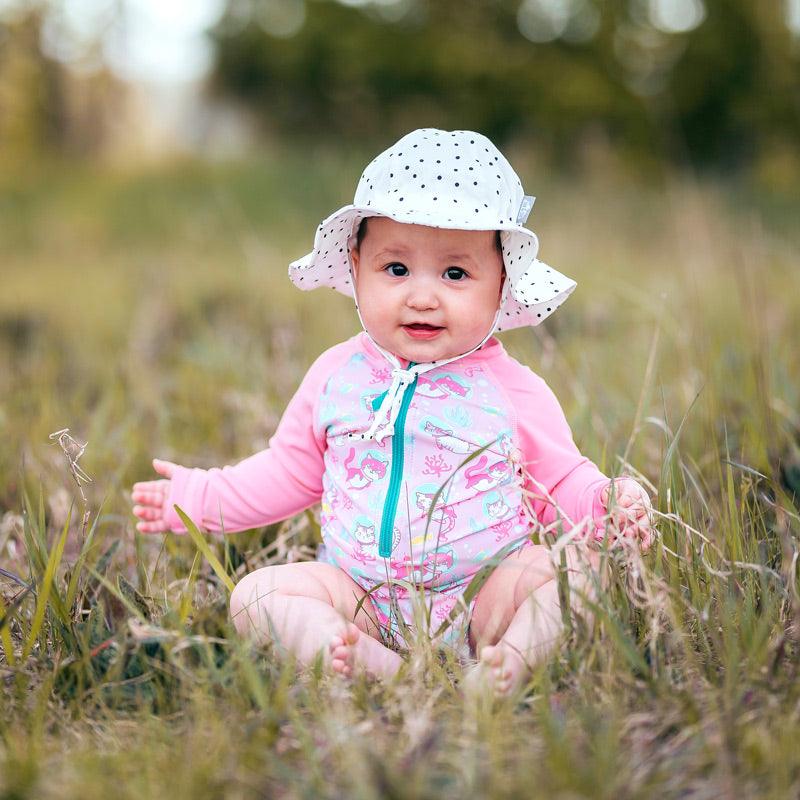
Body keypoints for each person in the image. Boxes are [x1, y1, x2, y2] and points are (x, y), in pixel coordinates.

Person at [131, 128, 653, 697]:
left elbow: (562, 482)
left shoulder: (512, 390)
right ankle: (376, 666)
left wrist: (607, 505)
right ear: (355, 268)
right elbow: (286, 471)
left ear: (501, 282)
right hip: (360, 595)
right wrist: (201, 498)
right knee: (253, 596)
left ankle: (508, 664)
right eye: (396, 269)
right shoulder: (336, 377)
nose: (422, 296)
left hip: (484, 592)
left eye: (455, 274)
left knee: (583, 575)